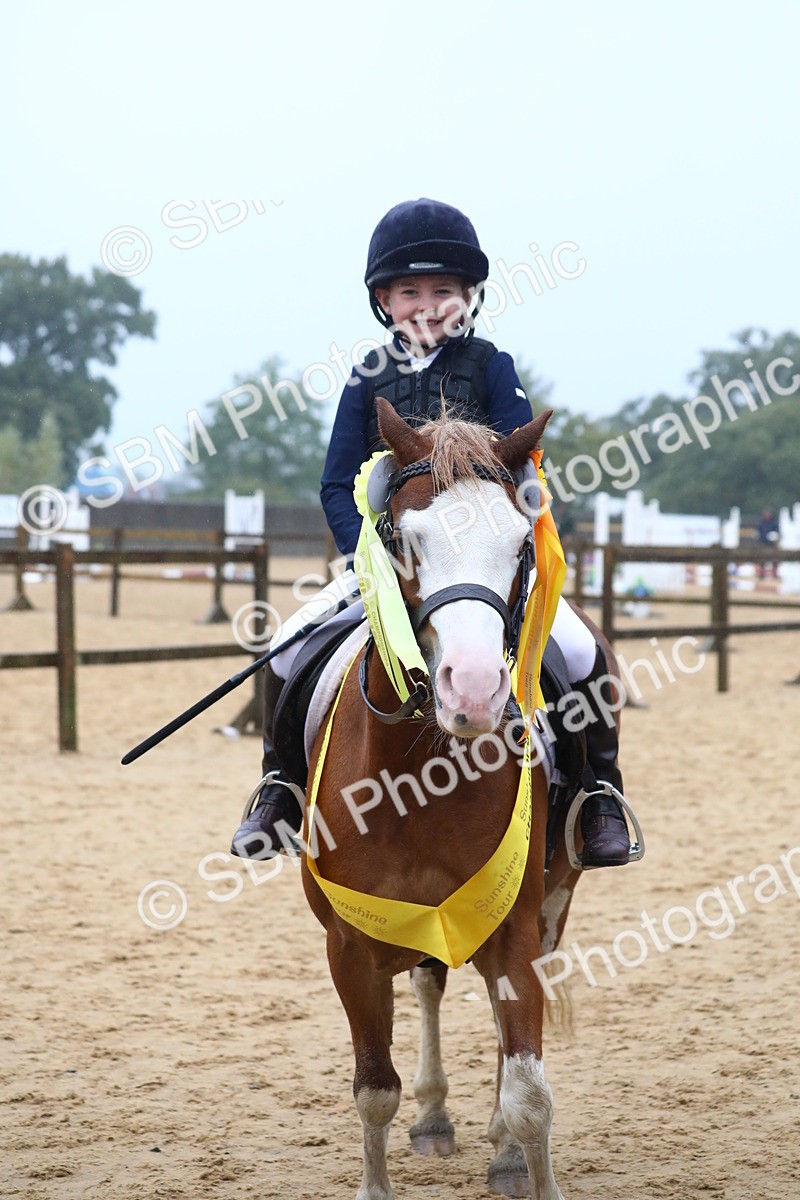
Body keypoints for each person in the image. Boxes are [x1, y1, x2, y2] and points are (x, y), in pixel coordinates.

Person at [230, 198, 632, 869]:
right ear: (384, 301)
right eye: (410, 291)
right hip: (390, 564)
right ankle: (280, 788)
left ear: (468, 298)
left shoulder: (491, 368)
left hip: (478, 568)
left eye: (443, 291)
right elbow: (335, 484)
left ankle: (597, 794)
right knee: (285, 644)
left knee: (579, 648)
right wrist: (368, 561)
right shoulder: (366, 378)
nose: (427, 304)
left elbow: (522, 465)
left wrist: (512, 536)